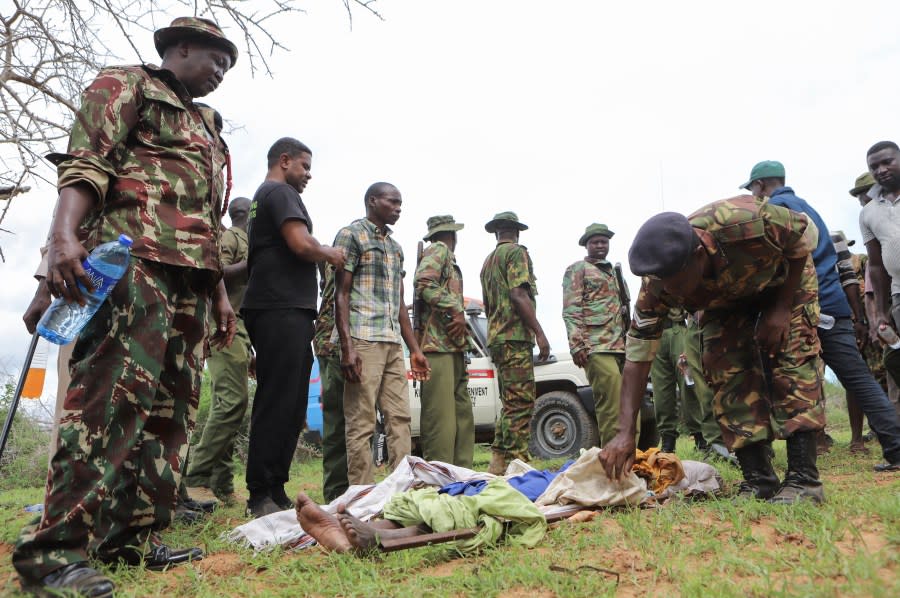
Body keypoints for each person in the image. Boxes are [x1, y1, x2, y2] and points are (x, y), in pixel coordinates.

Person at [12, 17, 239, 595]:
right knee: (108, 403)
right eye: (215, 57)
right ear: (179, 49)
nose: (221, 71)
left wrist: (217, 293)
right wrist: (61, 243)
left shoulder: (209, 125)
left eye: (229, 65)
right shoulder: (125, 85)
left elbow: (209, 219)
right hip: (131, 264)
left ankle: (132, 537)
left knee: (171, 412)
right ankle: (54, 553)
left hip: (191, 282)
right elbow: (86, 164)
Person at [600, 196, 828, 504]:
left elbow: (804, 233)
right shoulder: (657, 285)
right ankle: (759, 480)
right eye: (663, 284)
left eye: (676, 284)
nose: (670, 292)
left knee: (792, 358)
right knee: (724, 368)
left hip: (784, 279)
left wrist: (782, 307)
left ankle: (804, 481)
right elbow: (637, 358)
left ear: (697, 255)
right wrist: (625, 432)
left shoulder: (744, 222)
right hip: (725, 299)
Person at [746, 161, 900, 473]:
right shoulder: (807, 207)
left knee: (785, 378)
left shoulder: (776, 209)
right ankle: (896, 448)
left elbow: (786, 260)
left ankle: (781, 460)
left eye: (752, 190)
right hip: (833, 305)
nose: (753, 196)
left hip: (805, 307)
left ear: (761, 186)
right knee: (859, 379)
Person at [241, 138, 345, 518]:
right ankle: (259, 493)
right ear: (284, 161)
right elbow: (301, 245)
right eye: (304, 166)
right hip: (278, 307)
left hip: (287, 309)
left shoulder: (265, 195)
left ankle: (275, 487)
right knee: (277, 400)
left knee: (292, 401)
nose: (308, 175)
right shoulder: (279, 192)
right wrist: (330, 253)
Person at [333, 182, 430, 486]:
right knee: (362, 422)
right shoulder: (351, 235)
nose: (399, 208)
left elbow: (399, 302)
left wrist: (414, 349)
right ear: (373, 201)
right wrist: (347, 347)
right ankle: (361, 495)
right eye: (393, 202)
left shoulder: (395, 247)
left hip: (391, 342)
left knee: (400, 418)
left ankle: (400, 489)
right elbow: (341, 294)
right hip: (363, 340)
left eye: (401, 203)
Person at [184, 197, 253, 505]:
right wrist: (254, 263)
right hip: (223, 325)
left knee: (228, 405)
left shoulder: (246, 239)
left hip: (241, 329)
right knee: (232, 403)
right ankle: (195, 478)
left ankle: (221, 485)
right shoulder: (230, 237)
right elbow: (216, 273)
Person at [480, 211, 551, 475]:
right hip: (515, 338)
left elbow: (489, 306)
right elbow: (518, 294)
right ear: (516, 231)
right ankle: (518, 464)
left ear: (497, 232)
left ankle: (499, 461)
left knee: (511, 402)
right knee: (521, 403)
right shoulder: (516, 253)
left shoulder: (487, 262)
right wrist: (540, 333)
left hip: (498, 338)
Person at [561, 223, 634, 447]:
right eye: (595, 242)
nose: (601, 245)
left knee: (631, 405)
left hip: (622, 346)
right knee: (611, 405)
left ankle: (635, 458)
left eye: (604, 241)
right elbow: (571, 310)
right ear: (587, 245)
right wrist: (577, 345)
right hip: (596, 346)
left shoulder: (615, 272)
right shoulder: (578, 269)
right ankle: (612, 459)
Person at [414, 215, 475, 467]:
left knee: (462, 416)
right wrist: (455, 308)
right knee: (441, 419)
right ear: (453, 235)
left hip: (453, 346)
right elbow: (423, 282)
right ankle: (441, 477)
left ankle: (463, 474)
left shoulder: (447, 257)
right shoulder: (438, 250)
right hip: (436, 347)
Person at [649, 308, 732, 462]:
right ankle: (667, 444)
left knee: (689, 387)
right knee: (660, 392)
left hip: (679, 329)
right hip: (654, 332)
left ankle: (701, 439)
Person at [314, 262, 349, 503]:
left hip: (343, 345)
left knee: (356, 421)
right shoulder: (338, 264)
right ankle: (336, 492)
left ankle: (350, 487)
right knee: (338, 422)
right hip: (332, 346)